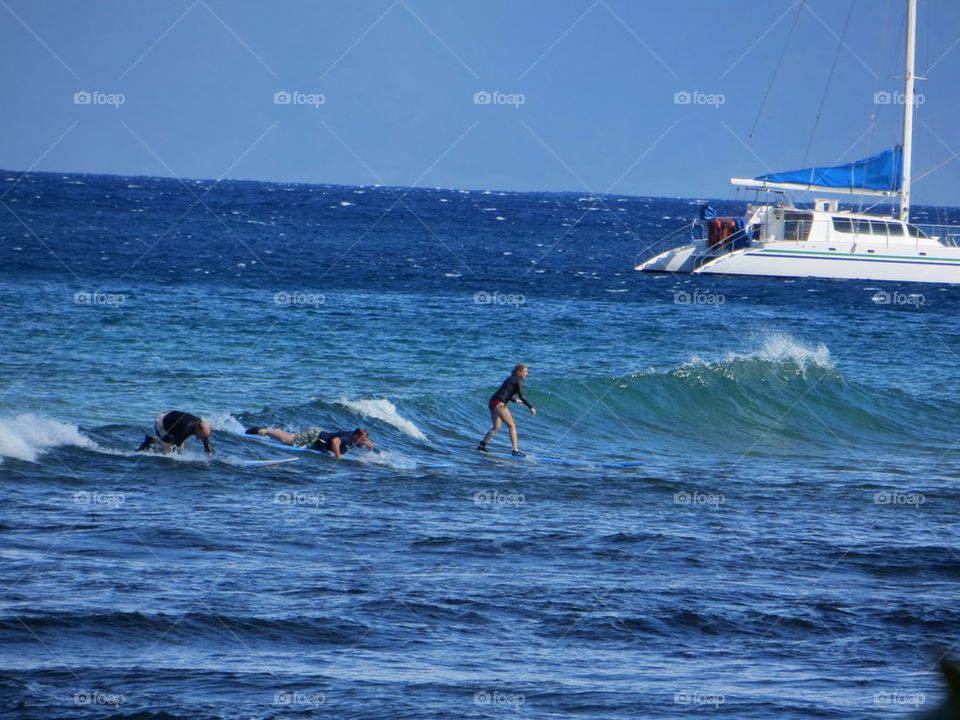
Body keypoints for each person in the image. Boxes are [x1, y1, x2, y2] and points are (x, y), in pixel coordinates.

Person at [477, 363, 536, 456]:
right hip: (499, 403)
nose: (527, 373)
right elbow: (521, 395)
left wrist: (515, 400)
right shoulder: (518, 380)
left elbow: (506, 392)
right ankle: (515, 451)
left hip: (492, 401)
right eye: (525, 371)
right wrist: (531, 407)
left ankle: (482, 445)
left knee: (496, 427)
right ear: (519, 372)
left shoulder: (510, 378)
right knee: (512, 426)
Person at [245, 425, 373, 460]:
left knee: (289, 438)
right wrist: (338, 456)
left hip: (317, 436)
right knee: (288, 440)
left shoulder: (355, 438)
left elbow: (362, 442)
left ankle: (273, 431)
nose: (364, 442)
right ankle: (264, 431)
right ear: (356, 435)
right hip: (315, 436)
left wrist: (368, 445)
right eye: (363, 439)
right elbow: (335, 441)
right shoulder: (347, 437)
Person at [137, 410, 213, 456]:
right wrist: (182, 456)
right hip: (161, 422)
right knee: (167, 453)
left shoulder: (201, 427)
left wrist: (209, 453)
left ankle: (153, 440)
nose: (202, 439)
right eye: (202, 437)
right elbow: (179, 446)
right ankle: (149, 442)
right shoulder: (186, 429)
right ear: (198, 430)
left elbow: (206, 440)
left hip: (171, 416)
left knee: (172, 441)